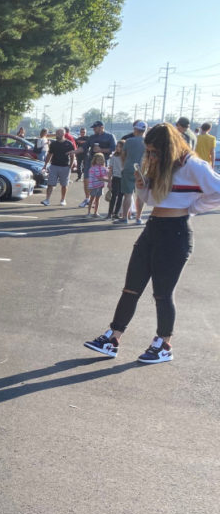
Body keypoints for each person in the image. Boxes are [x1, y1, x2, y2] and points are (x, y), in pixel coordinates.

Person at [83, 122, 220, 363]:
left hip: (176, 233)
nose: (151, 155)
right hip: (152, 229)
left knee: (162, 294)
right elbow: (152, 199)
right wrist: (142, 186)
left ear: (169, 147)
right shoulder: (161, 165)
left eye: (155, 151)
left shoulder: (193, 165)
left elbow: (217, 191)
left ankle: (164, 344)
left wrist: (193, 208)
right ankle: (113, 338)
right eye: (149, 151)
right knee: (131, 288)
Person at [116, 120, 146, 224]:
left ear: (135, 129)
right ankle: (138, 218)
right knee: (140, 195)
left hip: (129, 168)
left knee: (128, 195)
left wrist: (124, 165)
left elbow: (123, 155)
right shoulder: (148, 142)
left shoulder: (129, 141)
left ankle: (125, 218)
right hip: (143, 170)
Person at [40, 128, 75, 206]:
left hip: (65, 167)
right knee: (50, 184)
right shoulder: (53, 144)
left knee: (64, 185)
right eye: (56, 133)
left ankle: (63, 199)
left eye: (58, 133)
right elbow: (49, 155)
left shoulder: (69, 144)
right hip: (54, 166)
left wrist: (71, 166)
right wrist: (45, 165)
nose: (56, 135)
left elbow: (72, 155)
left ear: (63, 134)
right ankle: (47, 200)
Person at [85, 153, 108, 218]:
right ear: (95, 160)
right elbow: (91, 178)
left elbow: (107, 175)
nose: (100, 161)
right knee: (91, 199)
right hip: (93, 187)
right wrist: (90, 187)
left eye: (101, 160)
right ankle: (89, 212)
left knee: (97, 199)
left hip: (100, 186)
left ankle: (95, 212)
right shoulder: (92, 169)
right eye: (98, 160)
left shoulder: (104, 168)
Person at [107, 141, 124, 219]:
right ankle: (109, 213)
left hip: (124, 178)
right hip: (116, 178)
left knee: (121, 196)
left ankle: (116, 213)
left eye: (119, 146)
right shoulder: (114, 157)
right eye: (117, 146)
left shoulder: (126, 157)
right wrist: (109, 180)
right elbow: (110, 169)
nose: (117, 148)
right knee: (114, 196)